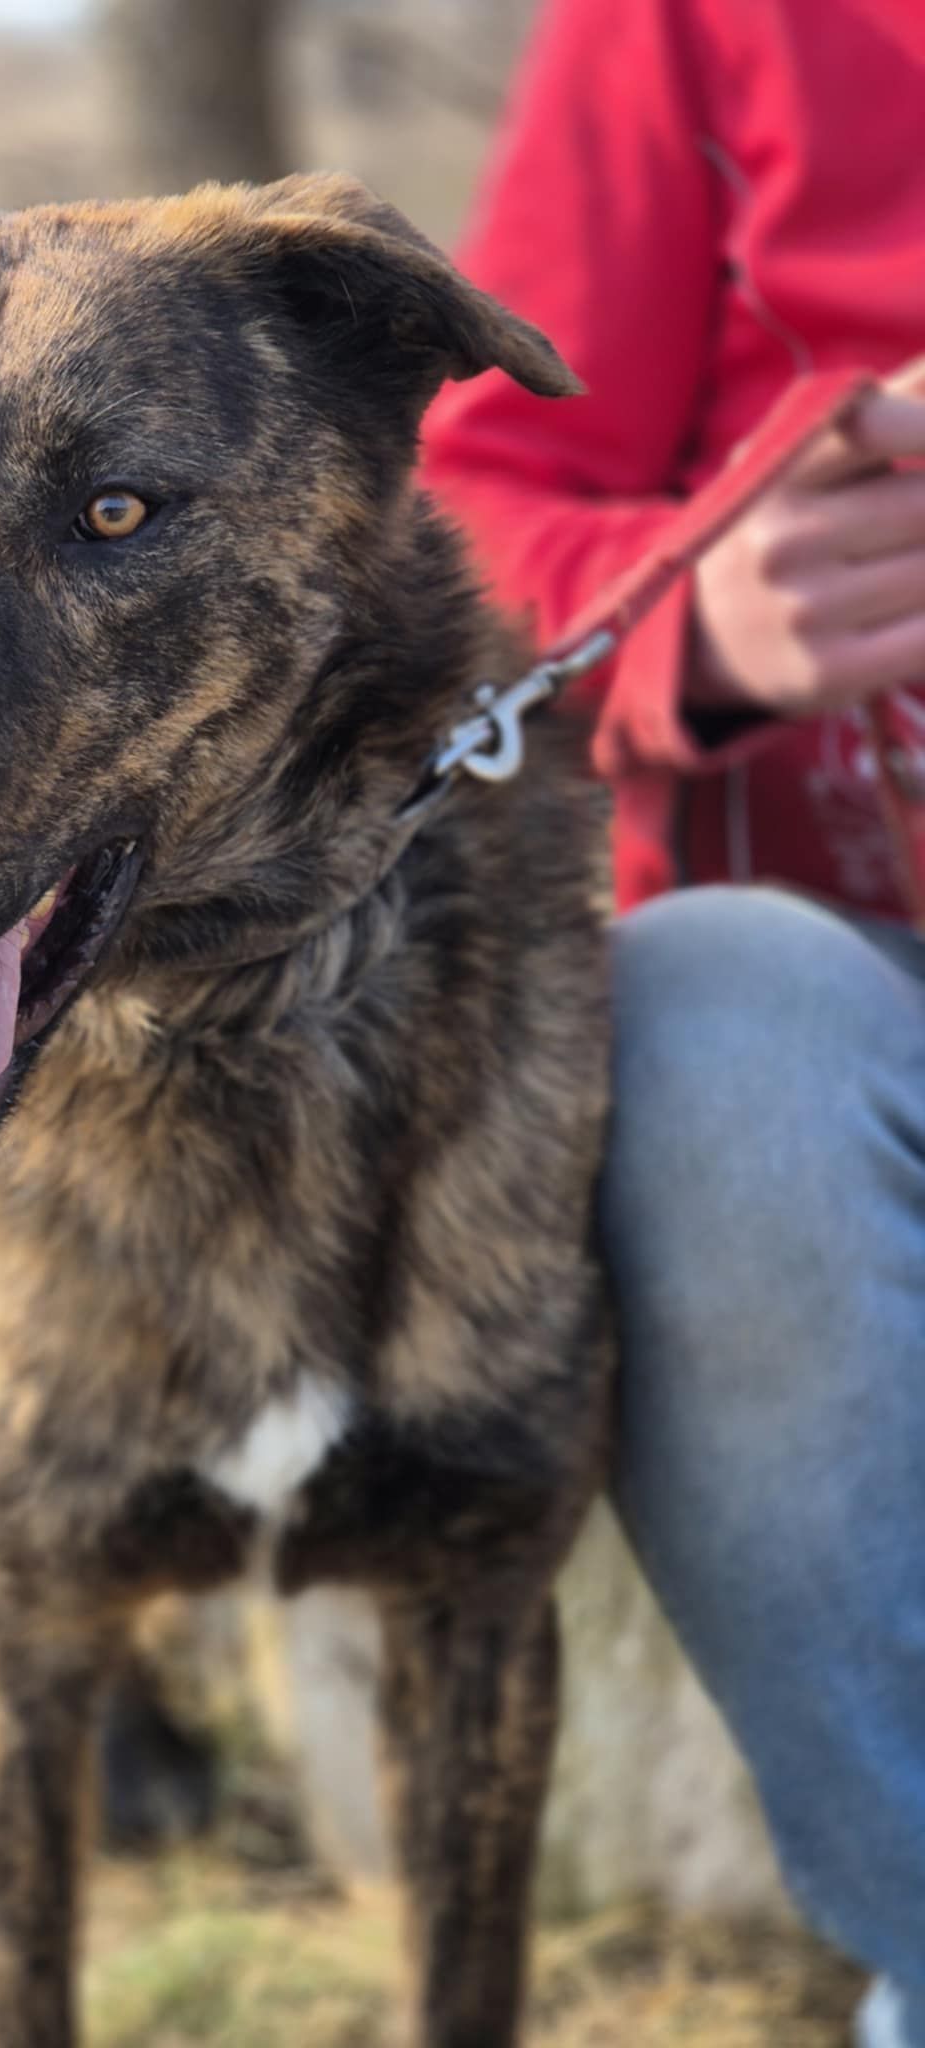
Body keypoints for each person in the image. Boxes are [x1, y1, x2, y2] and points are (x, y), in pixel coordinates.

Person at [419, 3, 925, 2042]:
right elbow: (456, 515)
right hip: (848, 982)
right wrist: (698, 615)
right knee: (708, 1030)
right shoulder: (706, 25)